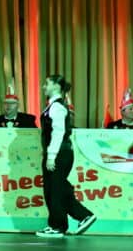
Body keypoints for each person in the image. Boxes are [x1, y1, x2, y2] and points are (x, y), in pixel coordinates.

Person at [35, 74, 96, 238]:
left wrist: (51, 155)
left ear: (56, 86)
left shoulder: (57, 107)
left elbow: (58, 132)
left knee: (55, 190)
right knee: (57, 188)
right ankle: (77, 218)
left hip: (60, 153)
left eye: (47, 83)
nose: (44, 86)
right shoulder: (53, 106)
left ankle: (59, 225)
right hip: (58, 153)